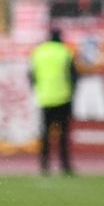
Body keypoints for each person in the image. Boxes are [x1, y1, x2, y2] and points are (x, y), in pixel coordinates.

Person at [31, 29, 77, 176]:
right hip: (63, 97)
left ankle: (44, 165)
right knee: (63, 136)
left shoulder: (39, 52)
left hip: (44, 98)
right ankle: (65, 166)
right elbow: (73, 75)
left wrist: (38, 89)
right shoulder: (65, 52)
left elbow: (31, 75)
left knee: (45, 134)